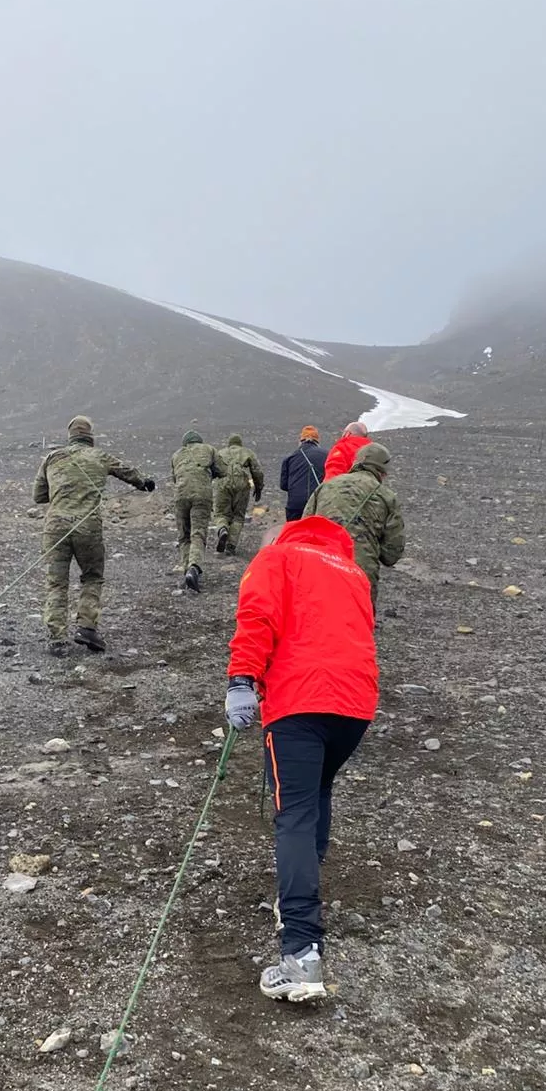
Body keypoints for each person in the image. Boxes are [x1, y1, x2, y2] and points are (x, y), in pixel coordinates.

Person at [224, 515, 378, 1002]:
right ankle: (298, 903)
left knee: (293, 813)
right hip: (354, 705)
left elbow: (257, 617)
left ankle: (301, 951)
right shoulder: (352, 572)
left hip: (298, 702)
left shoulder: (277, 558)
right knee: (316, 796)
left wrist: (241, 681)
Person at [33, 414, 154, 656]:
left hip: (56, 527)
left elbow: (39, 496)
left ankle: (57, 637)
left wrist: (62, 492)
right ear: (90, 437)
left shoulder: (52, 458)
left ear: (70, 436)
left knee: (57, 582)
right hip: (88, 527)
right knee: (92, 576)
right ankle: (86, 627)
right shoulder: (100, 457)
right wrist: (145, 484)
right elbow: (128, 473)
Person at [303, 442, 405, 597]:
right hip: (359, 573)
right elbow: (392, 554)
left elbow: (303, 528)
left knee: (316, 617)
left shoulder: (326, 486)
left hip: (320, 564)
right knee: (357, 619)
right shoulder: (386, 497)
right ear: (383, 471)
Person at [171, 429, 228, 592]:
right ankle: (193, 568)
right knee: (198, 533)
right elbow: (223, 470)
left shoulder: (176, 455)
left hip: (180, 496)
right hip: (202, 496)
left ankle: (185, 569)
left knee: (184, 536)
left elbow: (175, 477)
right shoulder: (209, 449)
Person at [213, 434, 265, 555]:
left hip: (223, 483)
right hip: (241, 484)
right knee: (238, 515)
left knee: (221, 513)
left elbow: (213, 469)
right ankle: (231, 545)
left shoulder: (220, 453)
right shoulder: (247, 452)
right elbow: (257, 471)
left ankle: (222, 529)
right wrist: (258, 488)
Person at [279, 426, 327, 521]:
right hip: (318, 504)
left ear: (301, 440)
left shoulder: (290, 457)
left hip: (295, 506)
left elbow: (283, 486)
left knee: (295, 533)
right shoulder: (327, 455)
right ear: (317, 441)